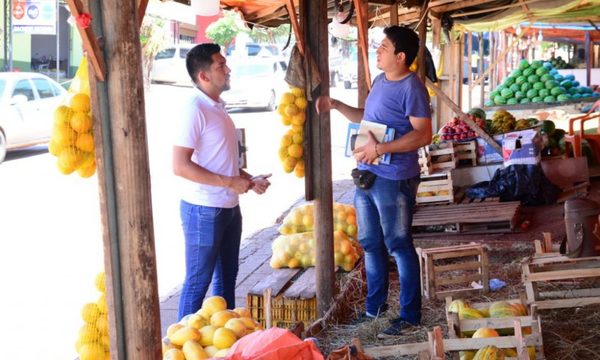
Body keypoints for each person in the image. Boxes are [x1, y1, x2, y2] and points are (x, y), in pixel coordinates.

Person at [315, 26, 432, 338]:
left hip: (395, 179)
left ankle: (409, 316)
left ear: (401, 56)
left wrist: (379, 148)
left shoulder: (412, 88)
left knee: (398, 244)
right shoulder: (380, 81)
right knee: (370, 243)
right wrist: (338, 106)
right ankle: (374, 310)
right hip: (369, 175)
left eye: (383, 47)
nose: (377, 52)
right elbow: (366, 116)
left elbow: (423, 134)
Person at [173, 43, 271, 320]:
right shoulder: (194, 108)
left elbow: (219, 160)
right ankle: (179, 345)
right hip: (203, 209)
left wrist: (248, 180)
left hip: (228, 207)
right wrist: (229, 182)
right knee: (197, 283)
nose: (228, 70)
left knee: (227, 280)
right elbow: (179, 165)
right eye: (220, 66)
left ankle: (224, 342)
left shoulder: (217, 106)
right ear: (203, 76)